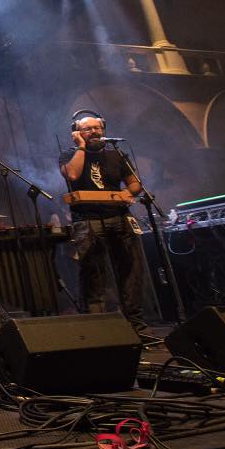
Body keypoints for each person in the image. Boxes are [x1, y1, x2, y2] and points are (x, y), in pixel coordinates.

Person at [59, 113, 145, 332]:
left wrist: (127, 192)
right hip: (88, 220)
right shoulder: (69, 154)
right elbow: (73, 175)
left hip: (119, 216)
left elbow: (135, 184)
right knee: (93, 274)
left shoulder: (117, 153)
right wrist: (80, 147)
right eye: (88, 129)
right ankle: (100, 329)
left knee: (130, 271)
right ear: (76, 133)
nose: (95, 132)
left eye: (98, 128)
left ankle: (136, 325)